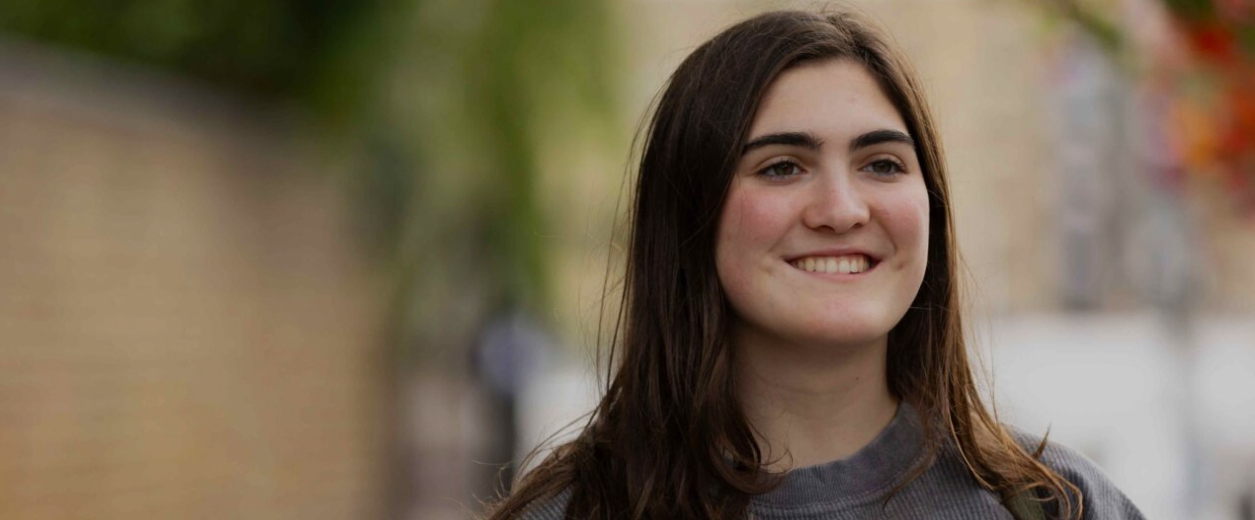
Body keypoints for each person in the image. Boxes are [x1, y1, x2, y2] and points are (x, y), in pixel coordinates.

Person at [483, 9, 1146, 520]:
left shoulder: (1061, 505)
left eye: (882, 164)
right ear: (690, 216)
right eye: (781, 167)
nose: (841, 208)